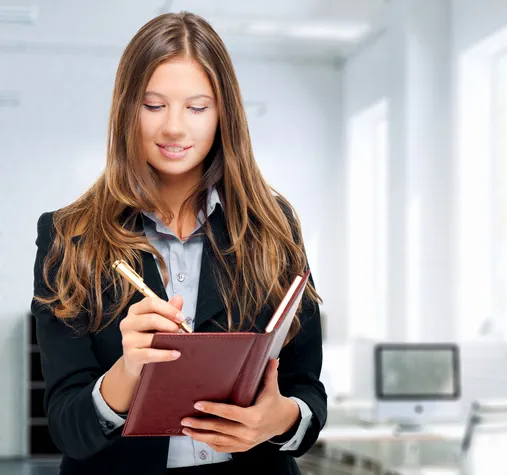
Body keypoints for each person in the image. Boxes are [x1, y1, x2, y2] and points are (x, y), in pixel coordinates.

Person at [31, 11, 327, 475]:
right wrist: (126, 374)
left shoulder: (273, 226)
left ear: (222, 114)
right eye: (153, 106)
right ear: (127, 109)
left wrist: (279, 419)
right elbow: (67, 430)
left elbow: (306, 389)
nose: (174, 127)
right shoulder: (70, 237)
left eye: (196, 107)